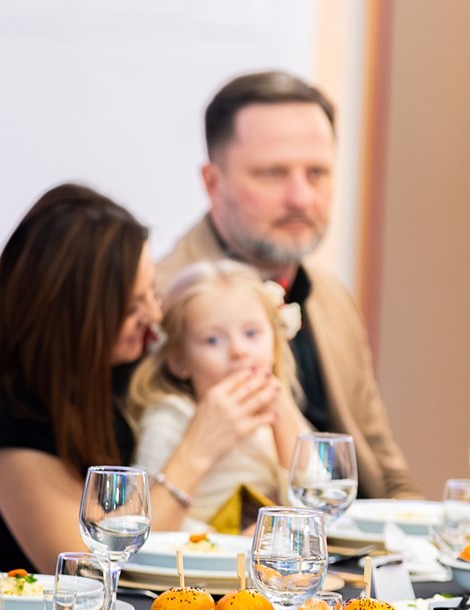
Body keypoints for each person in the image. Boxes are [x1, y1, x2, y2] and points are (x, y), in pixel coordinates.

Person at [0, 183, 281, 571]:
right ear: (78, 318)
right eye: (132, 307)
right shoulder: (5, 423)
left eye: (152, 292)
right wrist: (199, 449)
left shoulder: (121, 374)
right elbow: (91, 565)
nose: (154, 316)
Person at [160, 69, 415, 499]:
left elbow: (388, 476)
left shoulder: (332, 298)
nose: (300, 197)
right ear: (212, 183)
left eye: (317, 173)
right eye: (273, 173)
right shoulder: (159, 303)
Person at [128, 259, 309, 530]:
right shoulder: (171, 416)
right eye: (213, 340)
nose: (239, 351)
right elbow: (147, 513)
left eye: (251, 333)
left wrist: (286, 421)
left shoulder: (276, 412)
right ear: (179, 360)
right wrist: (222, 541)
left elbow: (314, 495)